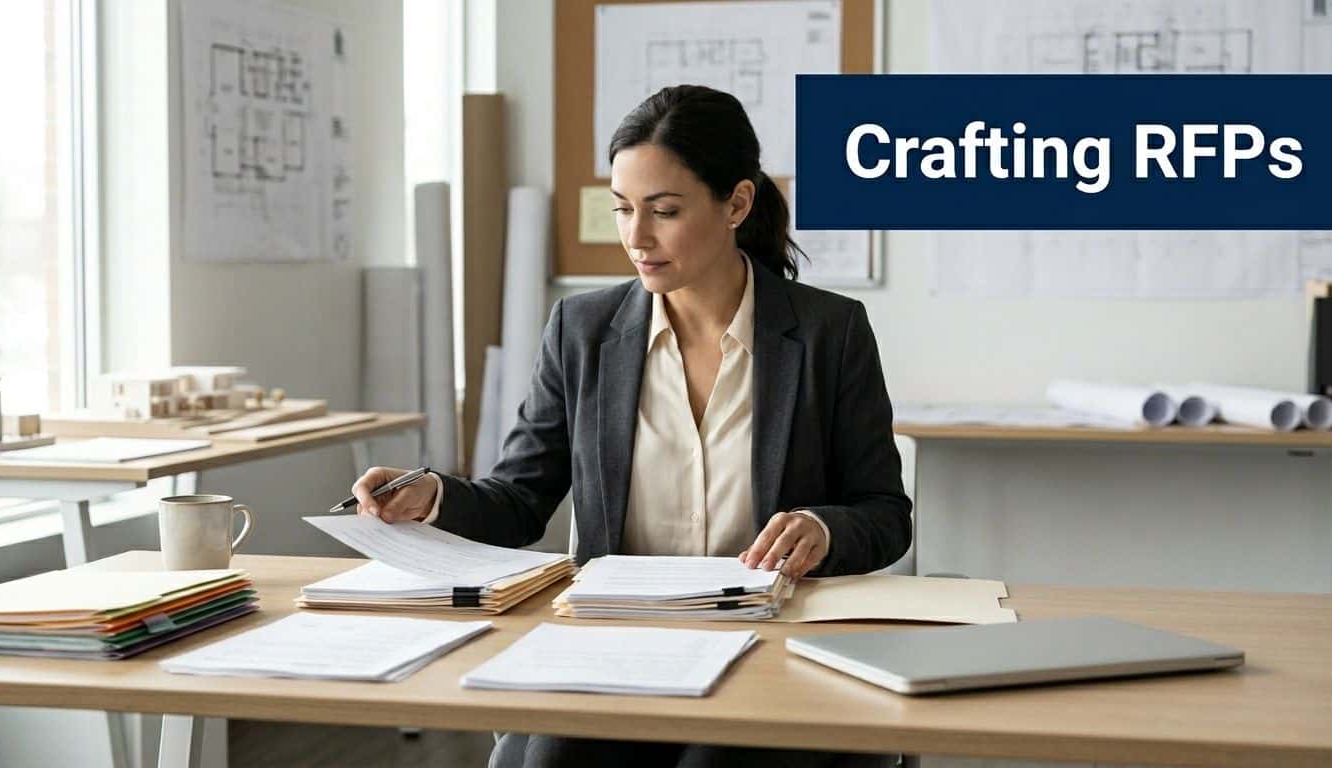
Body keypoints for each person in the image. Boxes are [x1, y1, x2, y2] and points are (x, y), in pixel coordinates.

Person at [350, 84, 912, 768]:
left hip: (768, 645)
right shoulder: (582, 331)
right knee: (551, 761)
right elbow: (519, 498)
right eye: (623, 208)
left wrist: (823, 528)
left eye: (664, 211)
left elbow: (885, 515)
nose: (636, 237)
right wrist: (432, 495)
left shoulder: (829, 331)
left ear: (737, 204)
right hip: (616, 644)